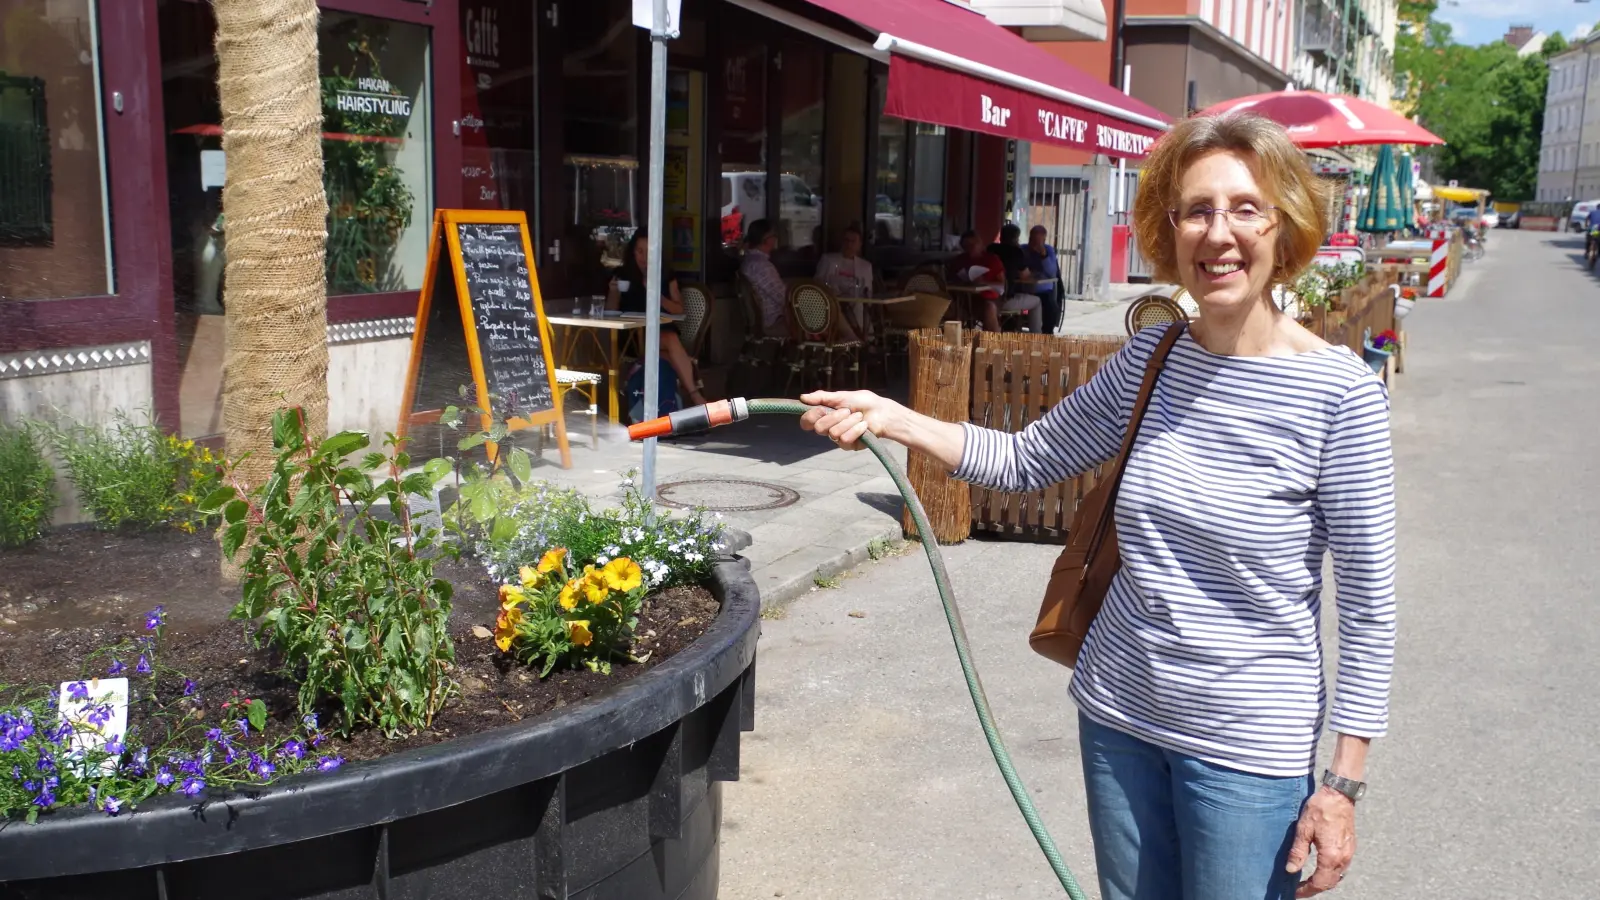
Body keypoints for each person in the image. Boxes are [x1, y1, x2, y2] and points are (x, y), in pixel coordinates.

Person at [799, 113, 1395, 900]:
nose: (1219, 234)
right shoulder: (1154, 355)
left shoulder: (1339, 395)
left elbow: (1370, 607)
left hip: (1247, 748)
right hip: (1118, 716)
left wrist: (1341, 784)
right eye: (1197, 210)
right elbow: (1026, 458)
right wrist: (892, 417)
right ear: (1171, 229)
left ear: (1283, 226)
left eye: (1246, 209)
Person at [607, 230, 707, 407]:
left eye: (649, 251)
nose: (644, 257)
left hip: (661, 332)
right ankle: (695, 395)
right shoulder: (622, 274)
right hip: (632, 336)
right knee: (670, 345)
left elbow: (679, 309)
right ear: (632, 252)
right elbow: (610, 312)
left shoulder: (666, 274)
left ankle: (667, 404)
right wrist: (614, 292)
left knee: (667, 350)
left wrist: (656, 294)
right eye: (640, 251)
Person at [948, 230, 1042, 333]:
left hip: (991, 299)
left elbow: (1002, 285)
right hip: (965, 300)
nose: (969, 248)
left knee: (989, 307)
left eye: (972, 245)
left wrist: (984, 282)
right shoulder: (959, 260)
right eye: (966, 246)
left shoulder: (991, 259)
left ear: (980, 244)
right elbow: (951, 280)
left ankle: (994, 338)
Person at [816, 225, 876, 335]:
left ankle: (860, 336)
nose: (849, 244)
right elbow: (817, 283)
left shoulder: (865, 266)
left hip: (854, 303)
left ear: (859, 244)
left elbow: (868, 292)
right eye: (846, 240)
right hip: (831, 303)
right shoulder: (828, 260)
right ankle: (858, 337)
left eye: (853, 241)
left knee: (859, 306)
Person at [739, 219, 790, 338]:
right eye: (774, 235)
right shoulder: (762, 266)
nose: (776, 238)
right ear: (766, 239)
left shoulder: (749, 261)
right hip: (773, 321)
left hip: (765, 319)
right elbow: (784, 297)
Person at [1022, 225, 1064, 335]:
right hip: (1025, 288)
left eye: (1038, 242)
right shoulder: (1023, 249)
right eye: (1032, 240)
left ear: (1044, 241)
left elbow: (1052, 273)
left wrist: (1044, 256)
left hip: (1043, 289)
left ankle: (1047, 333)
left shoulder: (1049, 250)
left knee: (1051, 306)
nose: (1034, 244)